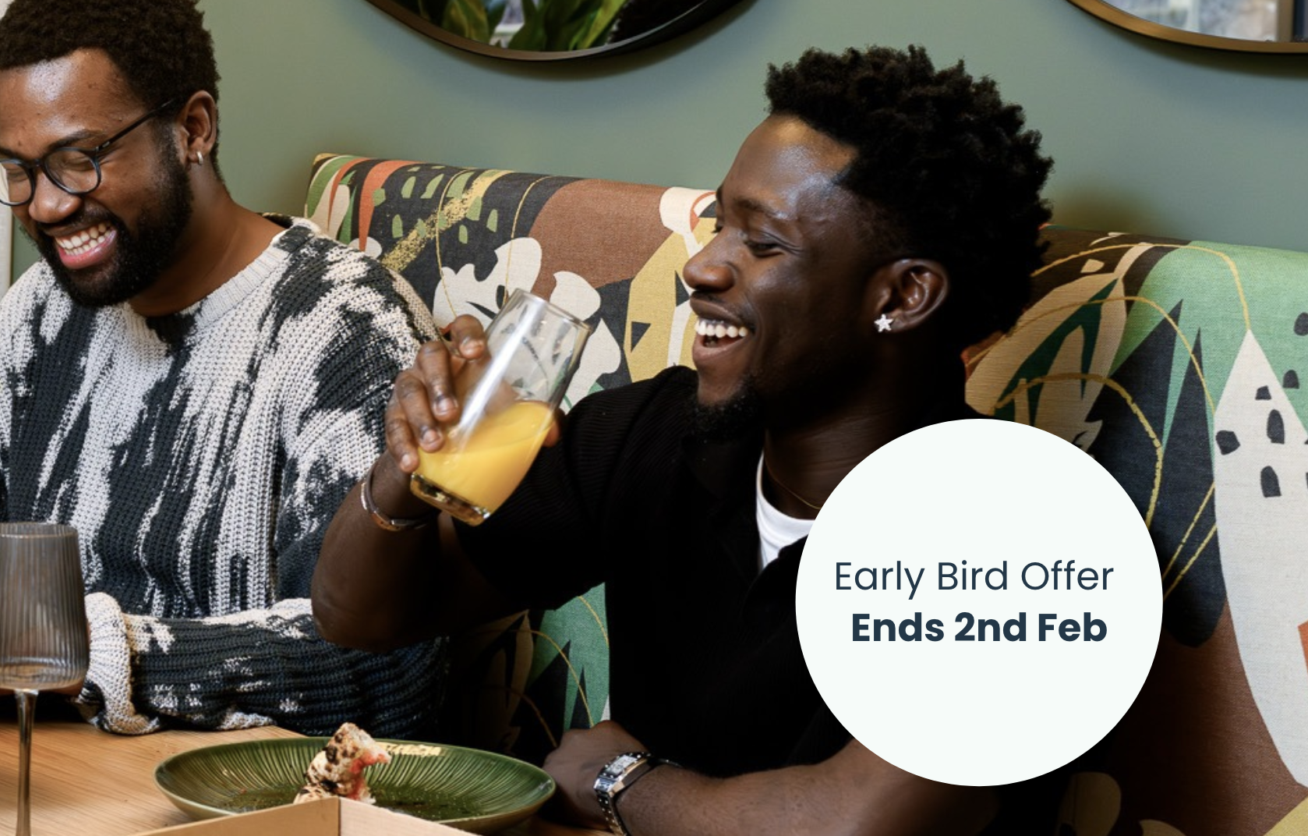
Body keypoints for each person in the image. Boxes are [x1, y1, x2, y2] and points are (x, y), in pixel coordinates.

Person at [313, 47, 1062, 833]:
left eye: (762, 244)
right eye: (717, 227)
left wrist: (618, 784)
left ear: (904, 296)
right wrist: (411, 461)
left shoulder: (1023, 535)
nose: (701, 267)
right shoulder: (659, 434)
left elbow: (854, 823)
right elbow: (358, 616)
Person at [0, 0, 446, 737]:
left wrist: (94, 657)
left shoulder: (342, 328)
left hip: (225, 801)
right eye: (18, 171)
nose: (45, 206)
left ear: (193, 130)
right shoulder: (44, 306)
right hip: (33, 766)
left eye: (78, 160)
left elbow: (378, 662)